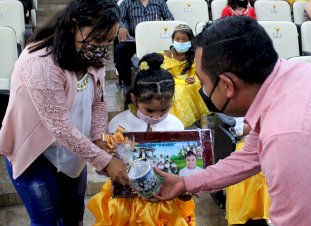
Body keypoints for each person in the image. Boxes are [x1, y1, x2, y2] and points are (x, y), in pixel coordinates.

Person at [149, 17, 311, 225]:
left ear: (227, 85)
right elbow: (248, 157)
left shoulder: (290, 136)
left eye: (204, 82)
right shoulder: (292, 79)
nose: (202, 90)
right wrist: (186, 182)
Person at [0, 0, 129, 225]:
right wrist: (105, 161)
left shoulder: (91, 56)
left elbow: (98, 101)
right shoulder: (40, 62)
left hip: (73, 149)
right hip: (34, 152)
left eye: (109, 40)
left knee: (73, 214)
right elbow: (60, 127)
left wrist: (98, 138)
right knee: (46, 219)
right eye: (98, 39)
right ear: (73, 25)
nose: (103, 47)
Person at [87, 53, 195, 226]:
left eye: (164, 110)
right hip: (125, 204)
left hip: (165, 203)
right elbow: (102, 167)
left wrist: (186, 186)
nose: (157, 116)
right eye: (149, 111)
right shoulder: (118, 125)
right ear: (134, 99)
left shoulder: (176, 125)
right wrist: (109, 162)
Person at [115, 0, 174, 92]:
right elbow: (119, 19)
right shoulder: (126, 3)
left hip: (156, 39)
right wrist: (122, 27)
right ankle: (129, 84)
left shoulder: (159, 2)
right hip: (135, 40)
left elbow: (170, 18)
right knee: (120, 49)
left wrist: (161, 25)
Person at [160, 24, 210, 128]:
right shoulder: (165, 56)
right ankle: (175, 126)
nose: (181, 43)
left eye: (184, 39)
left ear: (191, 40)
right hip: (171, 83)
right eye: (177, 39)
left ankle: (203, 126)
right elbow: (163, 76)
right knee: (176, 93)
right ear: (172, 39)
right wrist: (181, 81)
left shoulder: (196, 55)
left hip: (192, 84)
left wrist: (193, 79)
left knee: (194, 87)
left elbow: (201, 74)